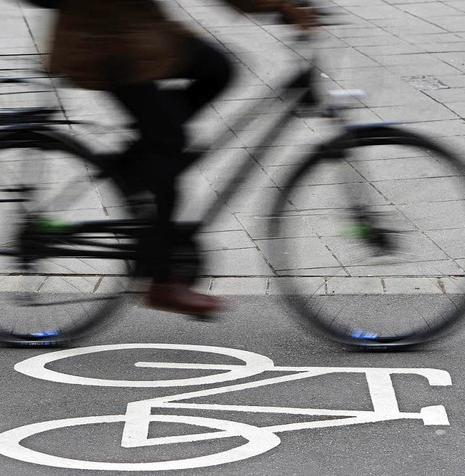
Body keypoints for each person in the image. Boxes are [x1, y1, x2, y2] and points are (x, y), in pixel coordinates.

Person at [48, 0, 320, 316]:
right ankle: (163, 282)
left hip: (133, 30)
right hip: (105, 40)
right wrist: (278, 5)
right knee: (168, 144)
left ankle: (139, 161)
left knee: (217, 70)